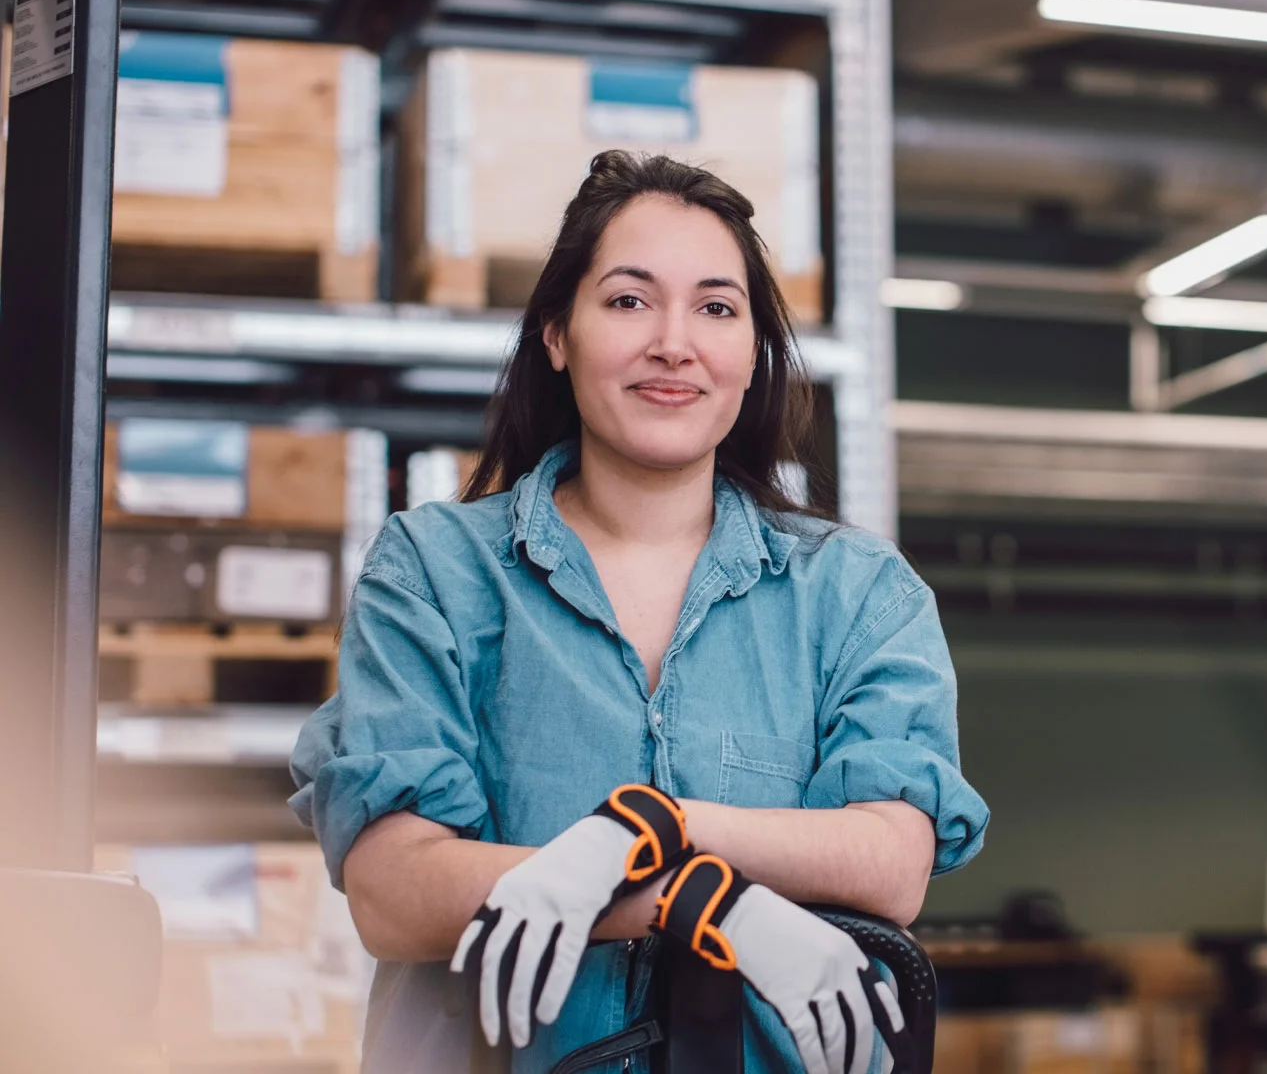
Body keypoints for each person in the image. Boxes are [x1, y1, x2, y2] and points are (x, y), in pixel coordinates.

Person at [290, 151, 989, 1074]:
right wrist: (697, 902)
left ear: (752, 354)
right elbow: (394, 891)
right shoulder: (435, 574)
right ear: (556, 334)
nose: (674, 342)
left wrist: (648, 826)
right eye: (628, 300)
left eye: (716, 308)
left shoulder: (857, 593)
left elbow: (890, 859)